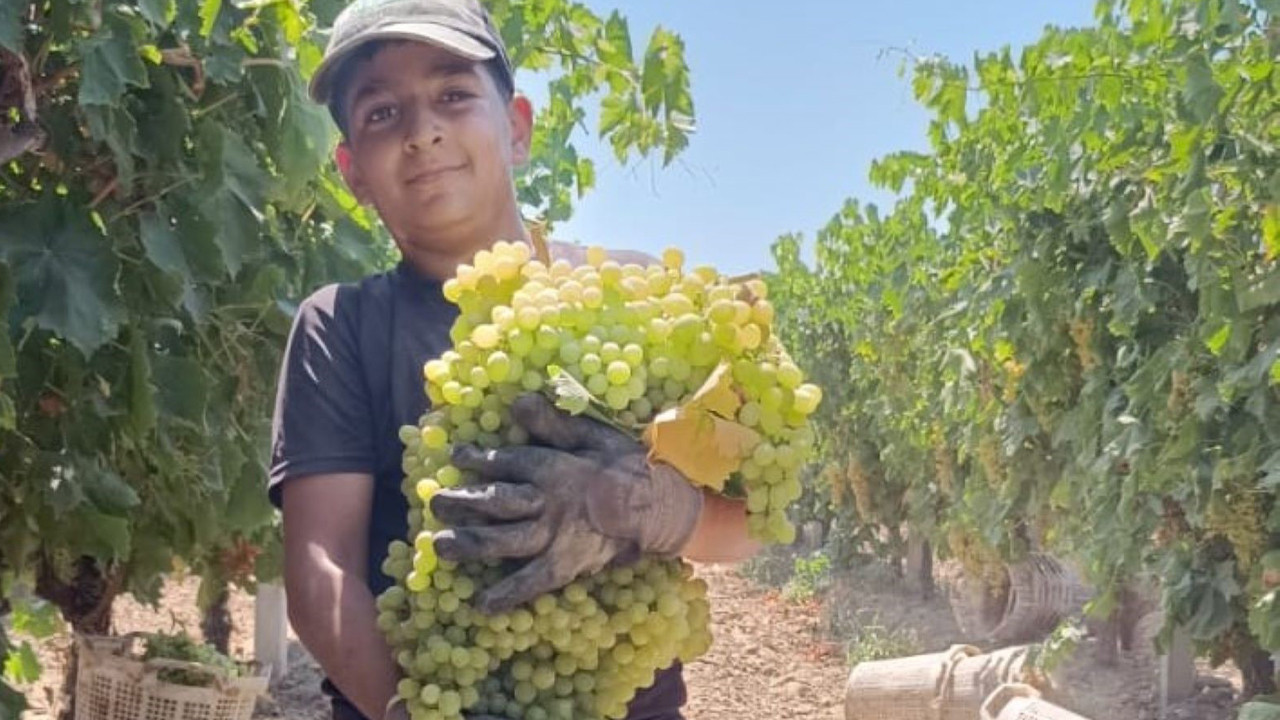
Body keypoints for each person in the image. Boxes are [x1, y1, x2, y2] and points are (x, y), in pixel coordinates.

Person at [266, 1, 761, 719]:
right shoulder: (340, 327)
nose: (422, 130)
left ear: (518, 127)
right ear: (353, 173)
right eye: (381, 114)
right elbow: (323, 571)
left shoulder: (640, 302)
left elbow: (747, 520)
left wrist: (658, 509)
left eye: (452, 95)